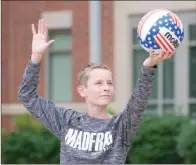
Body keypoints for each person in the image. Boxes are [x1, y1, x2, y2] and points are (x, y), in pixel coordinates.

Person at [18, 19, 174, 164]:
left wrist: (149, 65)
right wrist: (36, 57)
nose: (106, 87)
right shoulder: (67, 121)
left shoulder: (121, 126)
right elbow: (26, 96)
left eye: (109, 83)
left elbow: (139, 99)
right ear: (82, 90)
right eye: (98, 83)